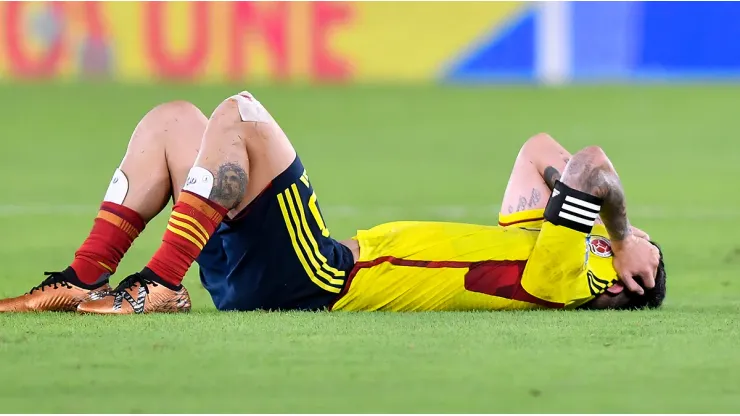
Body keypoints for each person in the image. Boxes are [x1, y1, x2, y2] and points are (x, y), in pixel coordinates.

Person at [0, 92, 665, 314]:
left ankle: (160, 281)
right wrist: (604, 224)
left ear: (628, 277)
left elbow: (590, 164)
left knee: (241, 112)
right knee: (175, 119)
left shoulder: (567, 277)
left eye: (640, 255)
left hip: (322, 275)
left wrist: (626, 229)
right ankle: (83, 277)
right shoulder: (545, 248)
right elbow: (537, 148)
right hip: (285, 276)